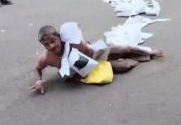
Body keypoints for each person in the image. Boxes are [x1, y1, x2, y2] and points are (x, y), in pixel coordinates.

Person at [32, 23, 163, 94]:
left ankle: (148, 52)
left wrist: (95, 59)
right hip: (81, 71)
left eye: (53, 41)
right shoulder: (46, 58)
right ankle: (138, 59)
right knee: (123, 67)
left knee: (121, 49)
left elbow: (90, 51)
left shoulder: (73, 42)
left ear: (59, 37)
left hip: (92, 54)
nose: (51, 46)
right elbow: (38, 68)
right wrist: (39, 80)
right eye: (46, 44)